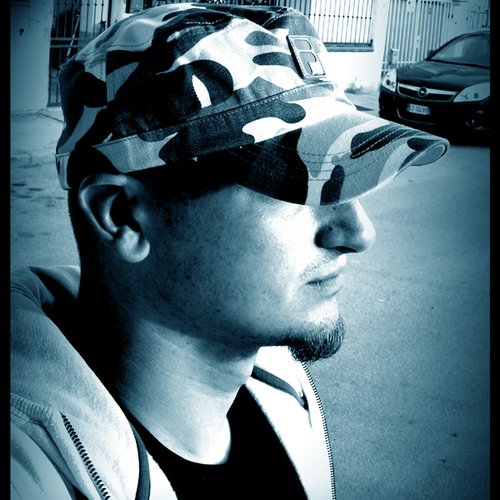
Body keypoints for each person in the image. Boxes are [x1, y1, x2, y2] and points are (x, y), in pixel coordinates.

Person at [10, 3, 449, 499]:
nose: (357, 232)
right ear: (123, 216)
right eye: (294, 186)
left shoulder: (281, 392)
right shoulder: (30, 476)